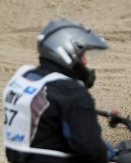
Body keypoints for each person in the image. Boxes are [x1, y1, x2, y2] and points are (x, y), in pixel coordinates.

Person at [3, 19, 113, 163]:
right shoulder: (71, 92)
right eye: (82, 55)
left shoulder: (23, 77)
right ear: (66, 52)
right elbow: (91, 151)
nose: (85, 62)